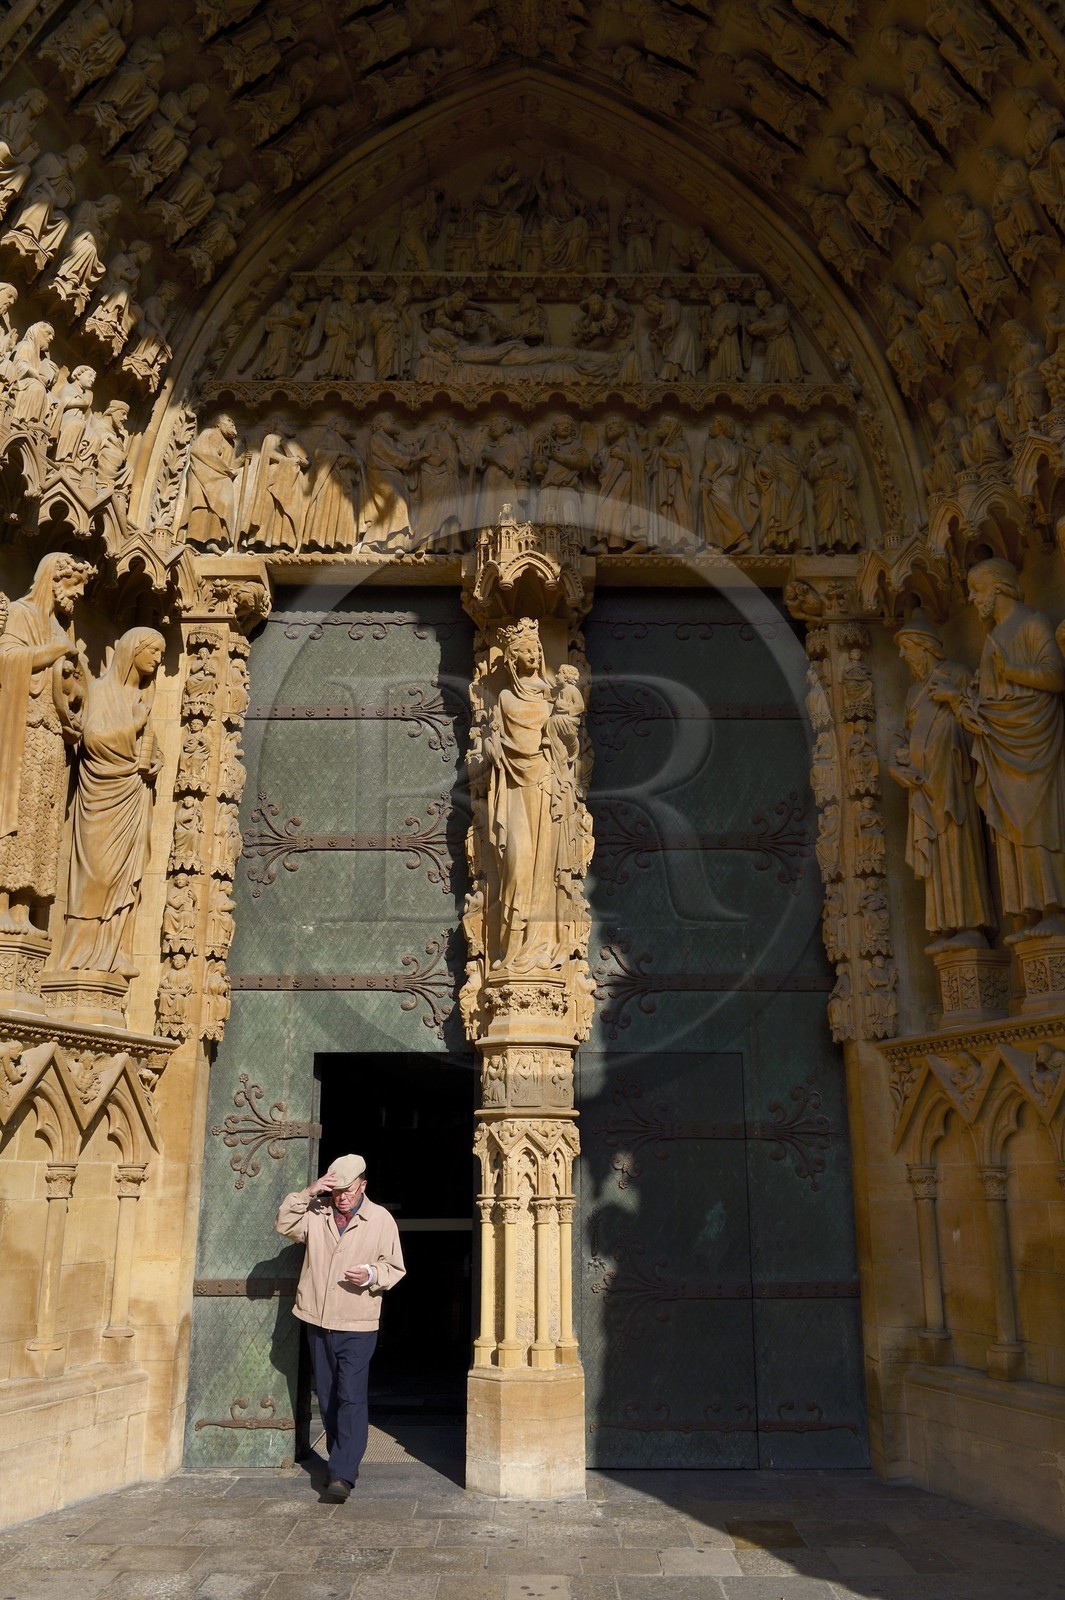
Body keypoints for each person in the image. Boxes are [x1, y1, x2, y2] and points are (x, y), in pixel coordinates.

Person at [276, 1154, 405, 1501]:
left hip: (358, 1321)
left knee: (350, 1395)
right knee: (330, 1395)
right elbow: (283, 1224)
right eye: (336, 1192)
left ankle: (343, 1474)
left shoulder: (380, 1220)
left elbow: (394, 1267)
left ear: (363, 1186)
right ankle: (340, 1459)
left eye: (348, 1190)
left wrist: (371, 1275)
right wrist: (309, 1191)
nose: (342, 1198)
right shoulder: (316, 1213)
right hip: (317, 1320)